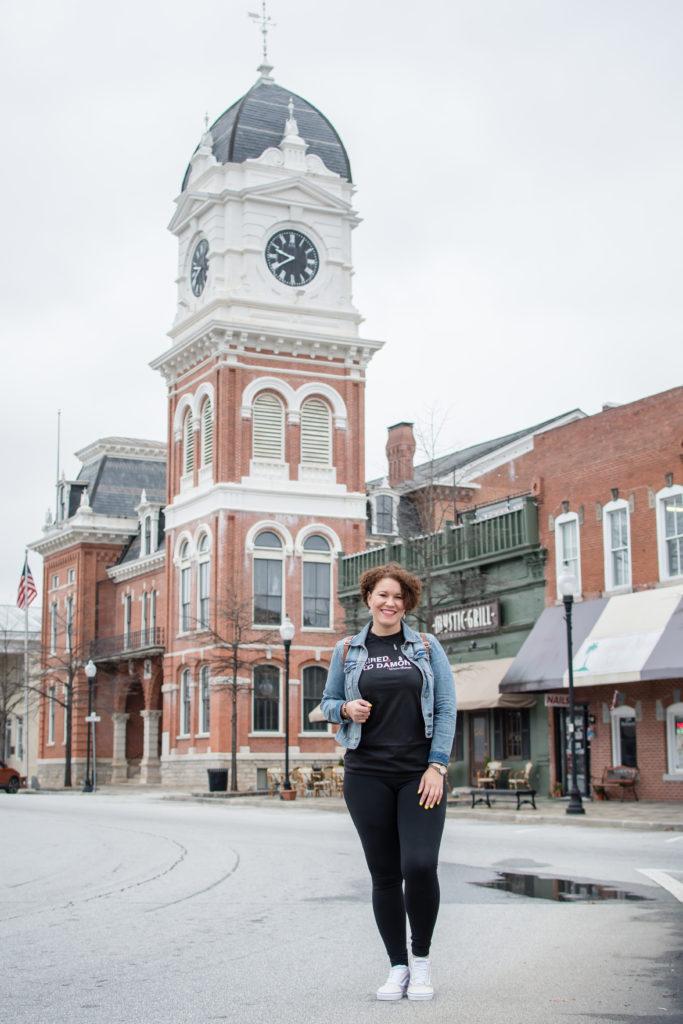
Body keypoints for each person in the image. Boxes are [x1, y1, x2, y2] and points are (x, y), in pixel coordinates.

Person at [321, 563, 456, 1002]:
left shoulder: (426, 646)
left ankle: (421, 963)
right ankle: (396, 966)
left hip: (419, 774)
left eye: (398, 596)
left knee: (419, 865)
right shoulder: (346, 650)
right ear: (368, 599)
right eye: (382, 595)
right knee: (384, 874)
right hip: (366, 774)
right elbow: (327, 702)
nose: (390, 603)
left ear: (407, 603)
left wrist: (437, 766)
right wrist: (346, 710)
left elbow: (447, 707)